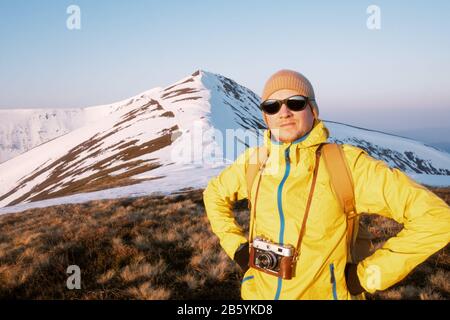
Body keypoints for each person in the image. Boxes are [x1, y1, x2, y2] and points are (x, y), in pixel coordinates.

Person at [203, 69, 450, 300]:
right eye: (272, 106)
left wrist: (365, 276)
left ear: (313, 109)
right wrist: (237, 248)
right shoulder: (254, 162)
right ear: (266, 117)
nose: (284, 112)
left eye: (295, 102)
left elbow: (436, 218)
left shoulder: (347, 164)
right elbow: (214, 194)